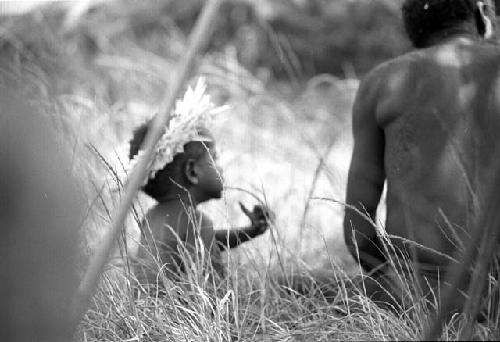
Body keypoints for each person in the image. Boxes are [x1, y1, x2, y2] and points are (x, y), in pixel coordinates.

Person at [343, 0, 500, 316]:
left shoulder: (381, 82)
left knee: (312, 287)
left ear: (414, 30)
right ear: (481, 15)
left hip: (416, 296)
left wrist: (395, 286)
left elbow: (356, 229)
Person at [129, 82, 271, 293]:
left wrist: (249, 232)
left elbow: (205, 241)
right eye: (214, 159)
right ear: (192, 171)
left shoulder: (152, 218)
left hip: (143, 321)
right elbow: (215, 294)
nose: (221, 169)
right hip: (176, 323)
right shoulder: (196, 221)